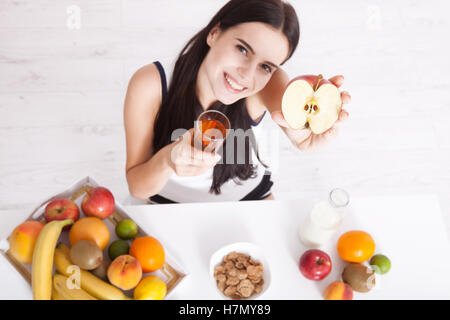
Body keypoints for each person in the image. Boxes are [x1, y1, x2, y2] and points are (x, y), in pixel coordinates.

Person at [124, 0, 351, 204]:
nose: (246, 75)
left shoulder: (270, 83)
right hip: (168, 206)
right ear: (214, 33)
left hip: (248, 201)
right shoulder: (152, 83)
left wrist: (305, 130)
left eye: (266, 66)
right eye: (242, 49)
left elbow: (295, 108)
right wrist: (167, 159)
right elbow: (137, 188)